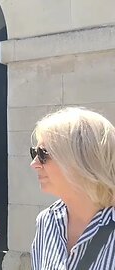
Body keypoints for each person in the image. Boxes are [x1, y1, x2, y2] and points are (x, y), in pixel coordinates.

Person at [30, 107, 115, 269]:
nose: (34, 164)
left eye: (43, 154)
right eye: (34, 153)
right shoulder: (46, 221)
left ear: (83, 159)